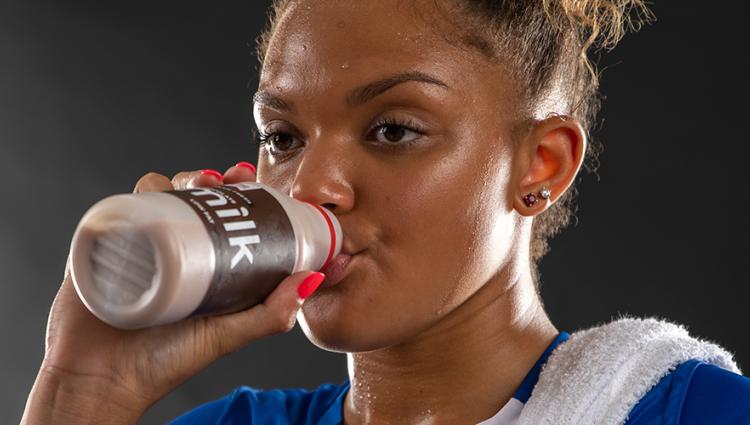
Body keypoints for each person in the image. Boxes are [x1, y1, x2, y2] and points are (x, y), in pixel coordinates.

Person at [21, 1, 750, 424]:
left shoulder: (687, 411)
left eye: (393, 129)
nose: (312, 183)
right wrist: (81, 389)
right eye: (284, 136)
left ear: (542, 164)